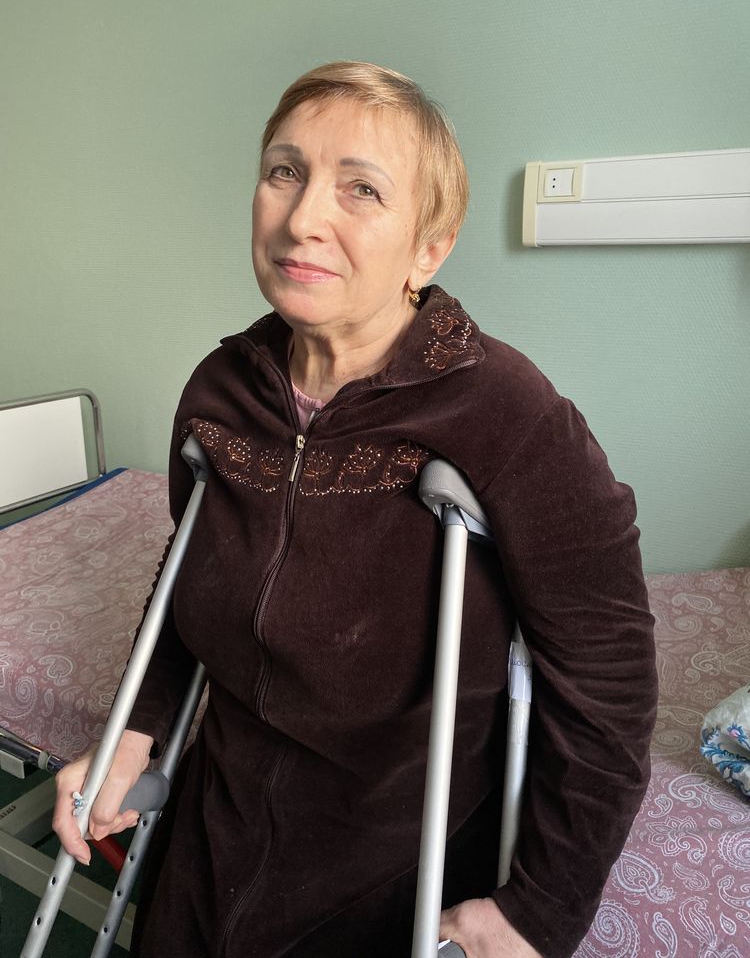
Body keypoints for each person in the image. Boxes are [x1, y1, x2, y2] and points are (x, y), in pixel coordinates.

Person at [53, 61, 657, 958]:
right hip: (218, 820)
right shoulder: (222, 391)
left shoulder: (509, 413)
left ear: (428, 248)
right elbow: (187, 581)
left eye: (361, 189)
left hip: (393, 853)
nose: (302, 219)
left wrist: (543, 908)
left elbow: (608, 675)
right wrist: (139, 726)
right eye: (283, 171)